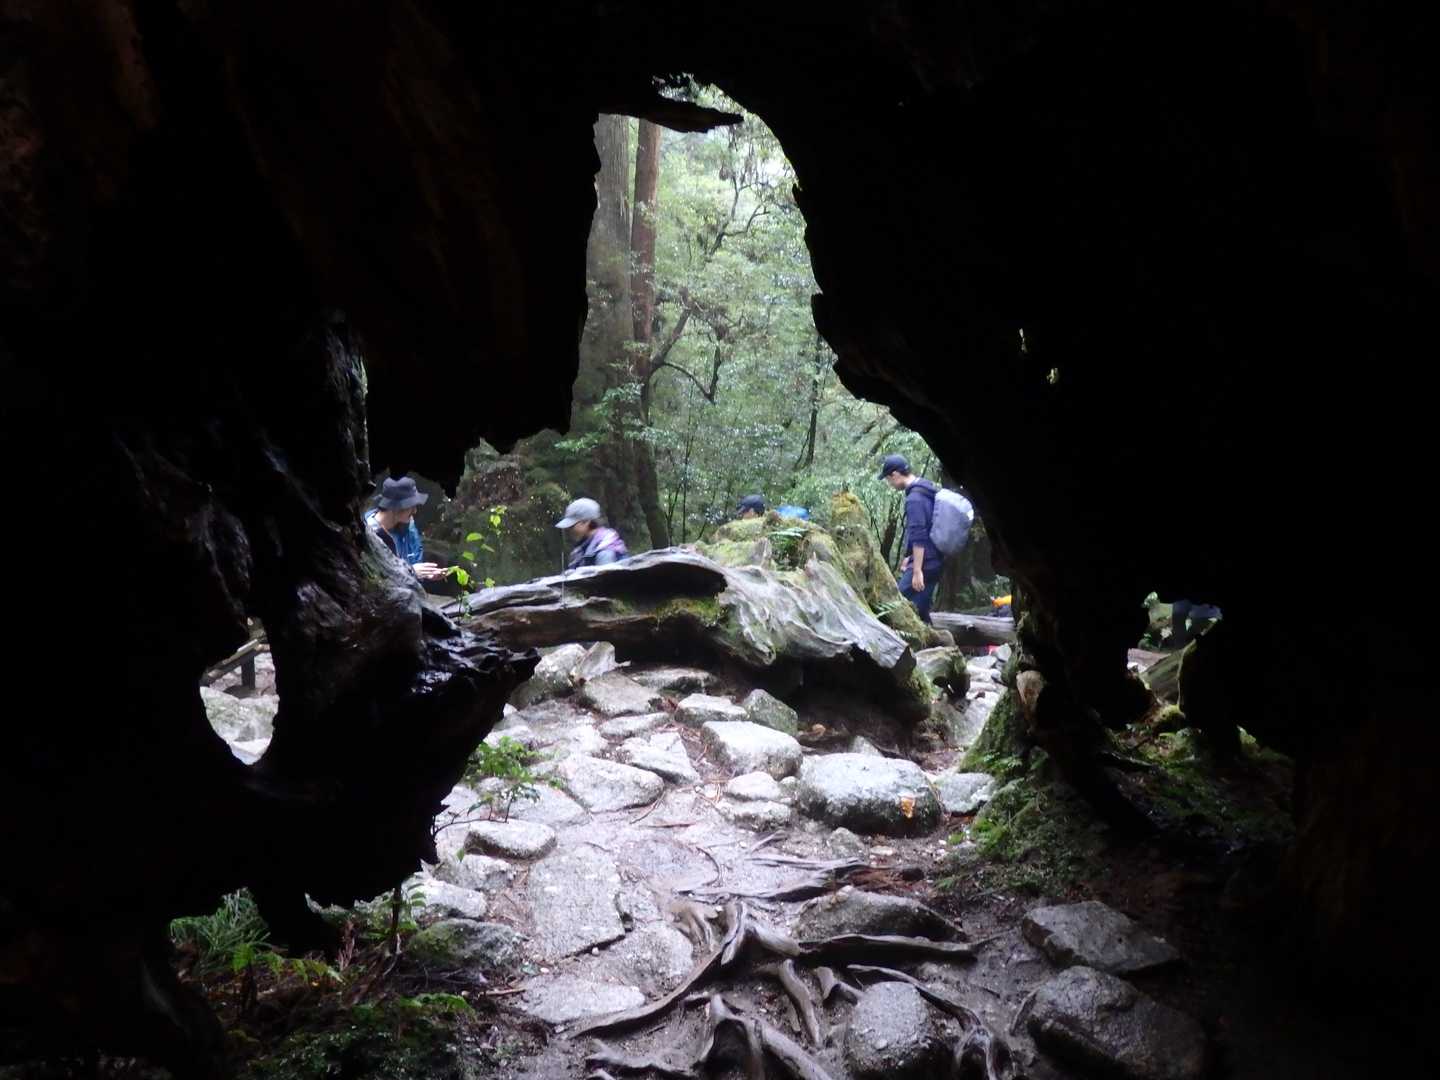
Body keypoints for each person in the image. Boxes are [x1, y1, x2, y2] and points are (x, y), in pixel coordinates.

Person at [879, 453, 943, 624]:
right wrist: (909, 556)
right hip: (935, 560)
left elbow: (919, 536)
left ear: (895, 475)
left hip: (925, 563)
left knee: (896, 606)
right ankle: (936, 639)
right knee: (920, 611)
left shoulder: (914, 499)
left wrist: (917, 570)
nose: (890, 484)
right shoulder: (926, 487)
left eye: (888, 480)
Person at [366, 476, 444, 581]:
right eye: (412, 505)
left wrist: (426, 574)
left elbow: (416, 561)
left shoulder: (409, 526)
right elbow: (374, 579)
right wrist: (410, 572)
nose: (415, 511)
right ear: (396, 507)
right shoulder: (367, 533)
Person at [556, 497, 629, 568]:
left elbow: (607, 575)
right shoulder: (580, 551)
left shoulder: (605, 552)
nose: (568, 529)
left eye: (572, 526)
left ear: (586, 521)